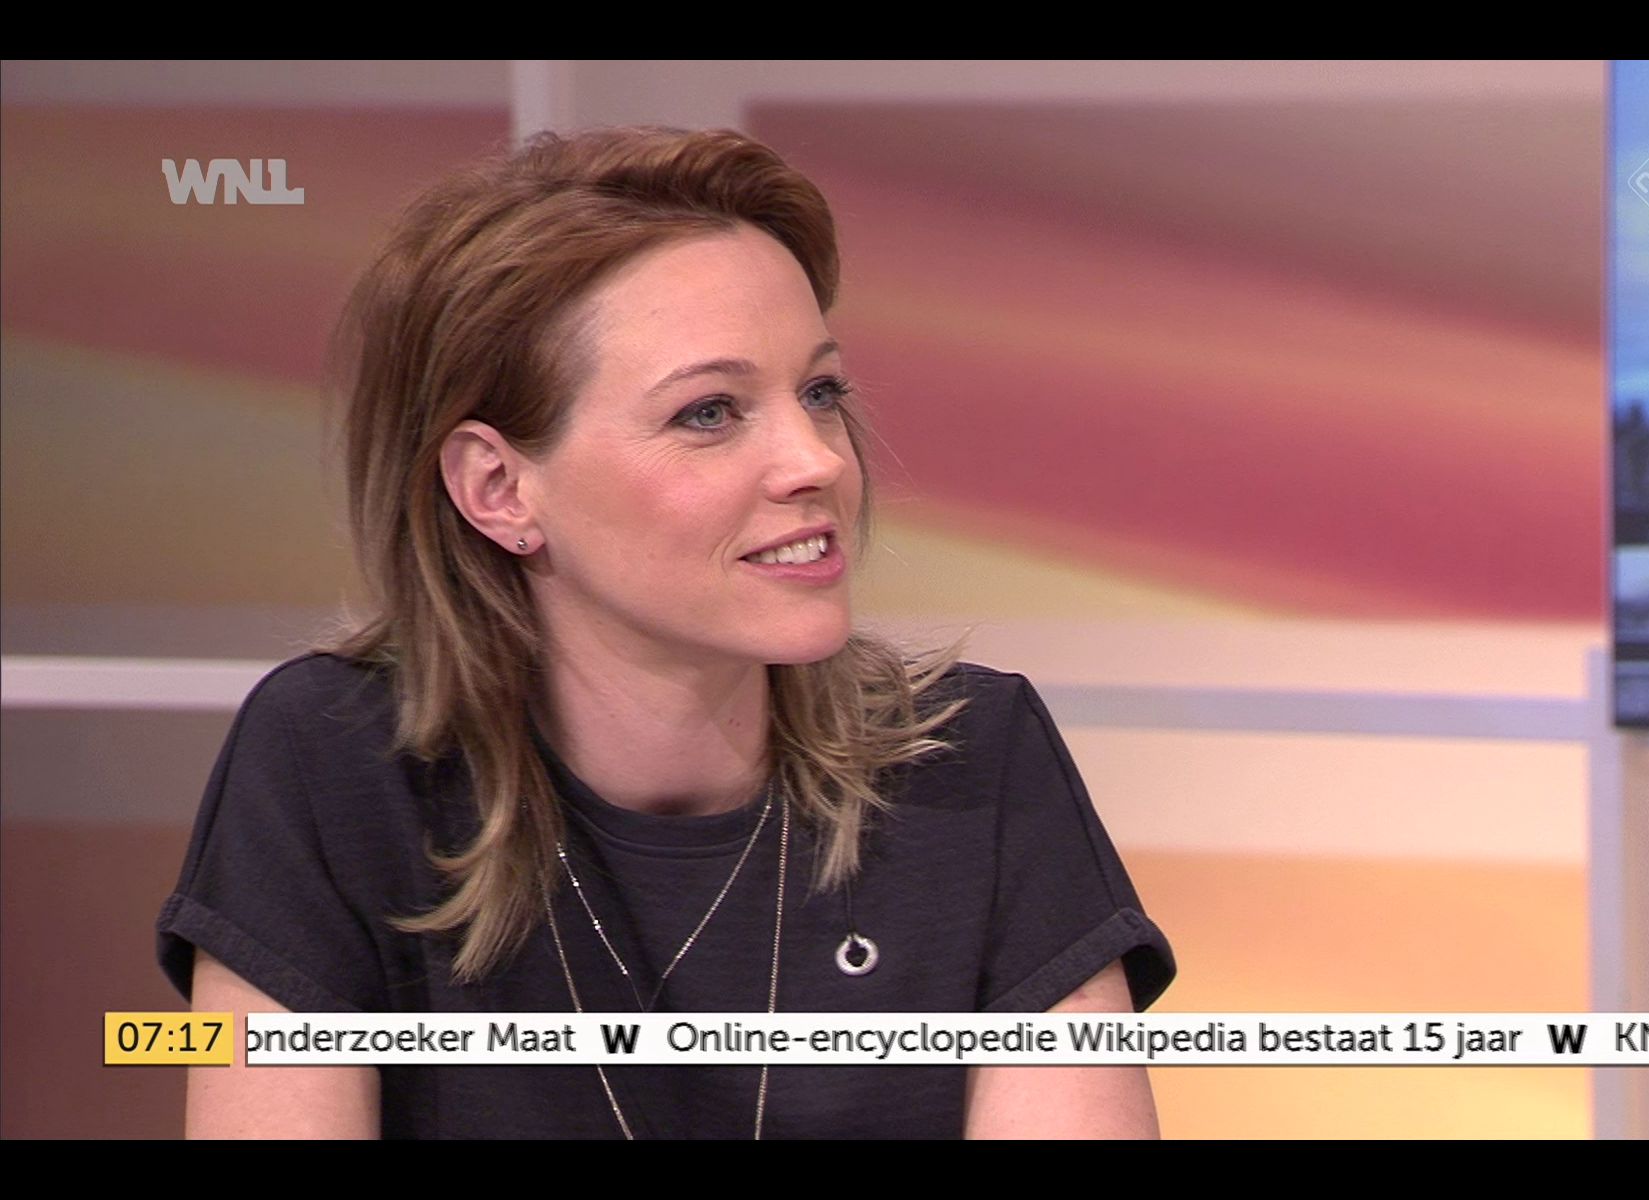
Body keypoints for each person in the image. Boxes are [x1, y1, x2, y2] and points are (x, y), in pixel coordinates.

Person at [154, 126, 1174, 1139]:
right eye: (710, 413)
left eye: (820, 392)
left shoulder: (974, 762)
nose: (816, 461)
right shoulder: (332, 764)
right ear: (498, 488)